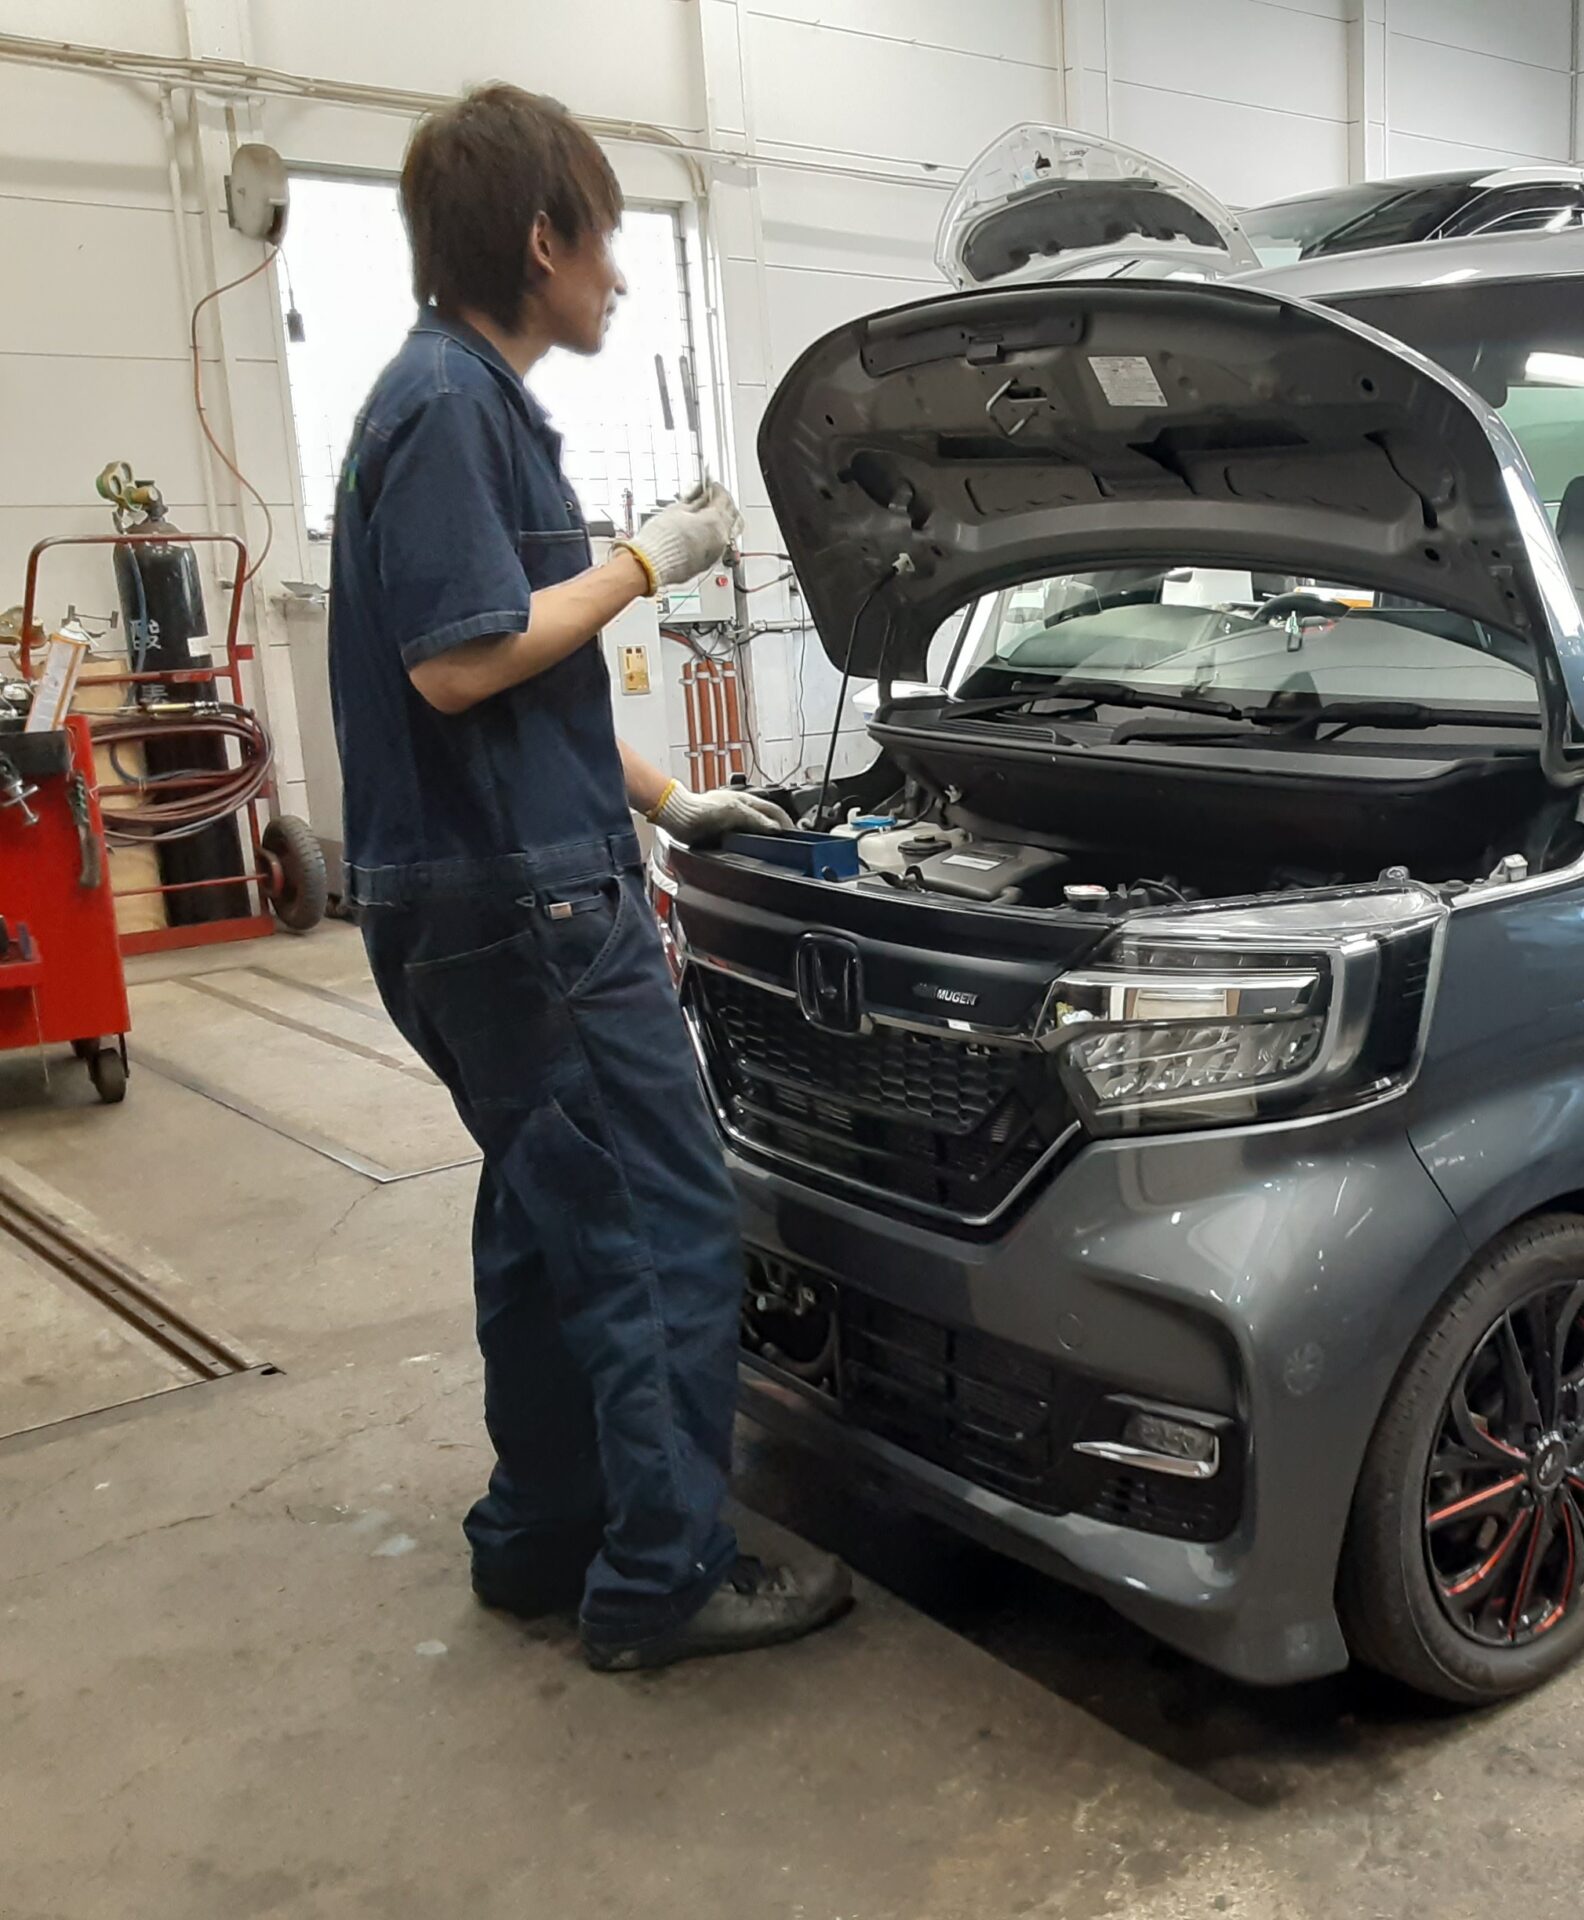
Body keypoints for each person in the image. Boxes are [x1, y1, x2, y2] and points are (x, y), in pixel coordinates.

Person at [328, 83, 854, 1672]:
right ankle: (664, 1578)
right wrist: (642, 564)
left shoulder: (458, 402)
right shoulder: (449, 406)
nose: (620, 274)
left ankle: (541, 1537)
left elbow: (529, 682)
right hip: (522, 908)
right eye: (610, 240)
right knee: (660, 1227)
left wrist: (678, 802)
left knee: (546, 1221)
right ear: (543, 238)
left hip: (494, 887)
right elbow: (460, 663)